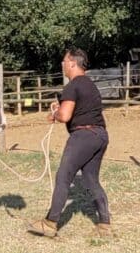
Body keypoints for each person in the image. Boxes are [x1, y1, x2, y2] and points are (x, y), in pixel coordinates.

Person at [27, 47, 112, 238]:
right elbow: (78, 107)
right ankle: (105, 224)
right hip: (100, 135)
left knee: (64, 176)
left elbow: (65, 115)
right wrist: (60, 107)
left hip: (82, 136)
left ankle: (50, 223)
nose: (63, 64)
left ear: (73, 63)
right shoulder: (90, 84)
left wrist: (55, 114)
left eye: (65, 61)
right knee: (91, 180)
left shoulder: (72, 86)